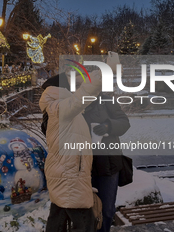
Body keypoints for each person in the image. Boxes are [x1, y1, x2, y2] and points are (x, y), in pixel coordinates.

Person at [39, 69, 102, 232]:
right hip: (70, 175)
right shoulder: (58, 109)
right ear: (62, 89)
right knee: (85, 223)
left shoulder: (56, 110)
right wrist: (96, 79)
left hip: (67, 173)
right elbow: (79, 100)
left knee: (58, 220)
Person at [83, 94, 130, 232]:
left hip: (109, 164)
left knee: (106, 209)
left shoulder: (106, 99)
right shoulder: (74, 101)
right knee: (84, 209)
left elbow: (124, 122)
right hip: (83, 165)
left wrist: (108, 125)